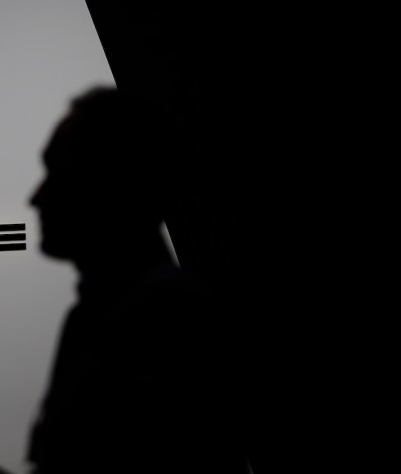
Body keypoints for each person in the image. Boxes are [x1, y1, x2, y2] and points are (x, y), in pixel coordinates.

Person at [25, 85, 247, 473]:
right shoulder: (97, 315)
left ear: (111, 184)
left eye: (58, 174)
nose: (36, 198)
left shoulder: (167, 320)